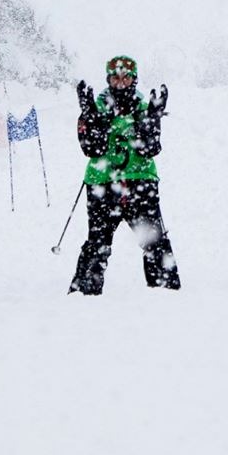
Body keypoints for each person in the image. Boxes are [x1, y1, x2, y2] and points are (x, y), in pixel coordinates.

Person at [68, 54, 180, 294]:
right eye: (116, 78)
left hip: (140, 181)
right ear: (108, 79)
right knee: (98, 242)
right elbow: (91, 149)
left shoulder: (143, 108)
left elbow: (151, 148)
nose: (121, 83)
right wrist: (91, 118)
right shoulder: (95, 107)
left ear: (134, 79)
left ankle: (166, 294)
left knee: (154, 240)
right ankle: (83, 295)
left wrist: (152, 120)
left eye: (126, 78)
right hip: (102, 184)